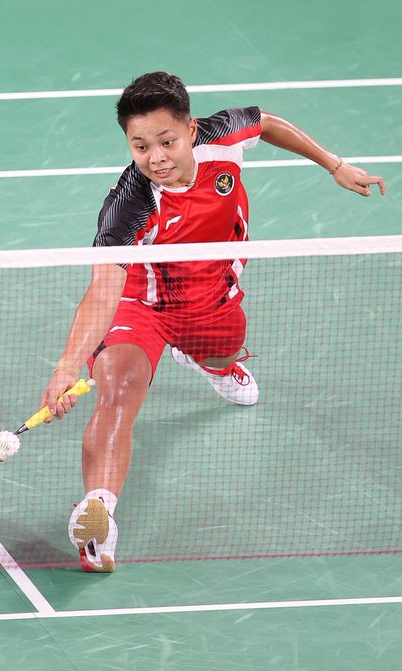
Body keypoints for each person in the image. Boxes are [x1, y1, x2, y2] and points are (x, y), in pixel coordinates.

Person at [38, 71, 386, 573]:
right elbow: (104, 289)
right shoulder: (129, 207)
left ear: (191, 128)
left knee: (221, 350)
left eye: (167, 141)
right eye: (140, 146)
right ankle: (99, 516)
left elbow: (266, 122)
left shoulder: (222, 136)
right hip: (143, 307)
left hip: (214, 302)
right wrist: (67, 366)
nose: (156, 158)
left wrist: (333, 163)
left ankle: (215, 365)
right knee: (117, 389)